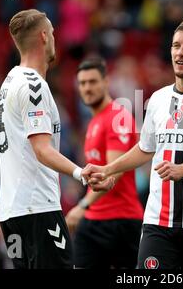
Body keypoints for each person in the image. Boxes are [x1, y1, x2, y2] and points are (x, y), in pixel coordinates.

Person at [87, 20, 183, 269]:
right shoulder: (158, 100)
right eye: (176, 46)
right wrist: (107, 169)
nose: (180, 52)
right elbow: (145, 149)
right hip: (158, 222)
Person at [0, 9, 102, 269]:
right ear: (44, 36)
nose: (55, 38)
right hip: (37, 209)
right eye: (53, 32)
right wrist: (80, 173)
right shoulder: (33, 85)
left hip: (12, 212)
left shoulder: (9, 81)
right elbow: (41, 150)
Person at [65, 57, 144, 268]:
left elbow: (114, 171)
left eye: (92, 82)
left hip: (121, 220)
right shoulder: (94, 122)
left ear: (106, 82)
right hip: (95, 218)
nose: (87, 88)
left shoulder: (118, 117)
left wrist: (82, 205)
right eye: (82, 83)